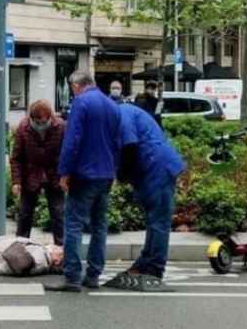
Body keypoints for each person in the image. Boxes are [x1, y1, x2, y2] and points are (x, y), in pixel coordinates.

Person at [44, 70, 121, 293]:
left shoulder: (81, 103)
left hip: (84, 174)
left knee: (74, 224)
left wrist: (64, 173)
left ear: (76, 85)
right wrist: (113, 171)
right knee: (99, 226)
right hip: (105, 174)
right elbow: (117, 142)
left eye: (71, 87)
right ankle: (94, 275)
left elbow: (72, 141)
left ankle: (73, 277)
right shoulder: (111, 105)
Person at [105, 101, 186, 290]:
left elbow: (130, 147)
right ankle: (145, 263)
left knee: (158, 220)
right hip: (151, 167)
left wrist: (121, 174)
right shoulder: (120, 113)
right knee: (153, 219)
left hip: (156, 167)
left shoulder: (121, 113)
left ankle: (155, 268)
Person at [10, 100, 65, 245]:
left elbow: (67, 153)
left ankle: (61, 250)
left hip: (54, 174)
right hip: (31, 174)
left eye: (44, 121)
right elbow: (16, 158)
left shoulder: (61, 126)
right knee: (25, 214)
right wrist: (16, 181)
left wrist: (66, 176)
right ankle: (20, 248)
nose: (41, 124)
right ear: (31, 118)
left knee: (58, 213)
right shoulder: (23, 128)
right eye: (37, 121)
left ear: (50, 117)